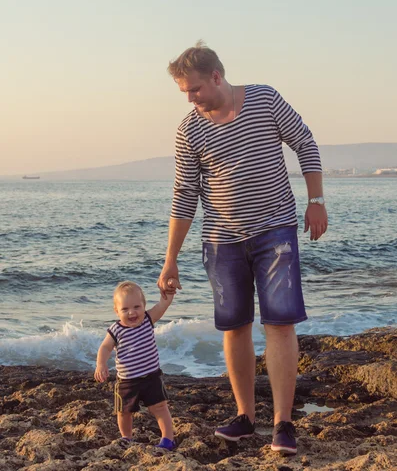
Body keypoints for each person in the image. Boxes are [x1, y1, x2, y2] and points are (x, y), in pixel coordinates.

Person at [158, 41, 328, 455]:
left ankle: (283, 423)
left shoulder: (265, 99)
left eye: (194, 89)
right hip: (221, 241)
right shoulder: (189, 129)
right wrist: (171, 259)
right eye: (184, 92)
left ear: (216, 76)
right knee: (234, 327)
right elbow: (185, 196)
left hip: (276, 232)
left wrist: (316, 200)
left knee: (280, 324)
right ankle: (245, 416)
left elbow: (305, 142)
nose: (190, 98)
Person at [95, 280, 176, 450]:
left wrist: (169, 290)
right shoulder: (115, 330)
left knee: (160, 407)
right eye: (125, 309)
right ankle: (127, 437)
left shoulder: (148, 319)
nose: (132, 312)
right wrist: (101, 364)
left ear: (144, 306)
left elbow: (163, 305)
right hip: (127, 381)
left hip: (151, 377)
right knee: (124, 412)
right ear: (117, 311)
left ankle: (168, 439)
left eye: (137, 307)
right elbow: (105, 347)